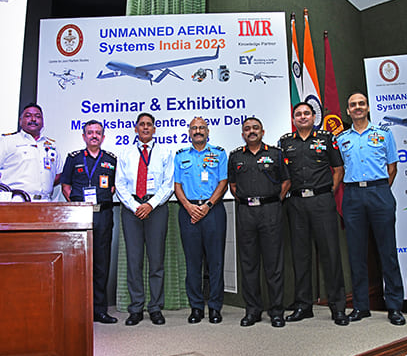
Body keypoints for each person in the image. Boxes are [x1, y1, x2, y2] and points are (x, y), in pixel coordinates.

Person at [336, 91, 405, 326]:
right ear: (348, 110)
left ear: (367, 108)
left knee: (387, 252)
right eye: (353, 104)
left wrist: (380, 190)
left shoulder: (384, 134)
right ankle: (361, 307)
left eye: (361, 104)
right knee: (356, 254)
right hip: (352, 195)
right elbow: (339, 170)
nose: (357, 107)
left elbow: (392, 167)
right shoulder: (341, 139)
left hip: (379, 192)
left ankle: (394, 307)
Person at [279, 102, 349, 326]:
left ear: (313, 116)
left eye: (306, 113)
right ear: (293, 119)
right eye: (298, 114)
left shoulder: (327, 138)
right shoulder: (285, 142)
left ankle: (338, 307)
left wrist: (329, 192)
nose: (302, 117)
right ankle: (303, 305)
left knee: (330, 254)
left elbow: (338, 169)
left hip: (322, 201)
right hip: (296, 203)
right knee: (300, 256)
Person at [228, 117, 290, 328]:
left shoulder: (275, 154)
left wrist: (272, 200)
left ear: (262, 131)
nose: (251, 131)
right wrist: (249, 201)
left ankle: (276, 312)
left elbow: (286, 181)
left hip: (271, 211)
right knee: (249, 264)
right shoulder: (235, 156)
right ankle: (252, 311)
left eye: (255, 128)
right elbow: (233, 186)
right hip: (246, 212)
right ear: (243, 134)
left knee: (274, 265)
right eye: (247, 129)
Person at [116, 113, 174, 326]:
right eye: (142, 124)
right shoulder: (125, 153)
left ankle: (156, 307)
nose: (146, 128)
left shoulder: (165, 152)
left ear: (154, 129)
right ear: (136, 128)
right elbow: (120, 185)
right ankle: (136, 308)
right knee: (134, 261)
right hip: (131, 209)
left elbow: (168, 184)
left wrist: (150, 204)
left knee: (156, 261)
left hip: (156, 208)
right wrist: (135, 206)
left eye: (149, 124)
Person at [60, 120, 118, 324]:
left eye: (98, 133)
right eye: (90, 132)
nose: (94, 136)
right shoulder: (73, 158)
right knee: (78, 263)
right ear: (84, 136)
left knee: (101, 263)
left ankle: (100, 310)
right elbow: (65, 186)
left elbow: (113, 188)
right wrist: (76, 207)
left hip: (103, 214)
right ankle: (78, 309)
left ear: (103, 137)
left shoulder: (111, 159)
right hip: (80, 215)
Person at [174, 117, 228, 324]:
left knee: (215, 262)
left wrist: (208, 206)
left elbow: (223, 182)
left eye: (201, 128)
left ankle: (215, 307)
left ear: (208, 131)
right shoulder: (180, 156)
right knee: (192, 262)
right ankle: (196, 307)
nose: (198, 131)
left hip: (213, 211)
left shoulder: (219, 153)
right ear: (189, 132)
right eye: (194, 128)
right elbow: (177, 185)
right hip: (188, 211)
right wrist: (189, 206)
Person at [0, 103, 62, 201]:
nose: (33, 119)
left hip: (45, 202)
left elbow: (57, 175)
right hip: (17, 200)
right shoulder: (7, 141)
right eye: (28, 116)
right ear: (20, 121)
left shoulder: (51, 145)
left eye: (37, 116)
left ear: (43, 122)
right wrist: (6, 186)